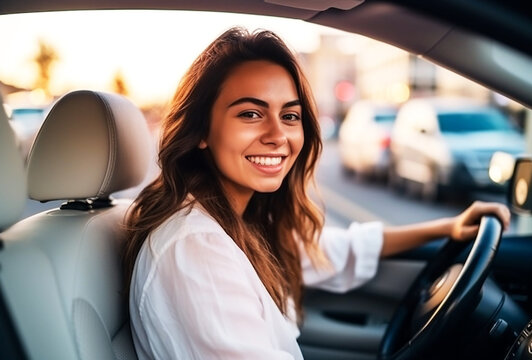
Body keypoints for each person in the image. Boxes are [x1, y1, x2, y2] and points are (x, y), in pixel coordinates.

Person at [124, 27, 511, 360]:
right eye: (251, 113)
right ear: (202, 131)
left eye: (290, 116)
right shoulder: (195, 248)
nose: (278, 135)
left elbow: (333, 251)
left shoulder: (240, 223)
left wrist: (445, 228)